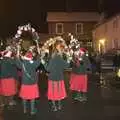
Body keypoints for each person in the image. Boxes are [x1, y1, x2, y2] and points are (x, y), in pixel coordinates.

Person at [46, 40, 69, 111]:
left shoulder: (52, 58)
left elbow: (48, 69)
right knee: (59, 92)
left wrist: (44, 64)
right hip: (59, 78)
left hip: (52, 78)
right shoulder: (60, 58)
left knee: (53, 93)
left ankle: (54, 107)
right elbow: (66, 66)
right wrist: (68, 59)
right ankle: (59, 106)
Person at [16, 51, 40, 115]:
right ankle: (32, 111)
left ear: (25, 56)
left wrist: (18, 53)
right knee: (32, 97)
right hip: (32, 83)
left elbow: (17, 60)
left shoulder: (22, 63)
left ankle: (24, 110)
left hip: (25, 83)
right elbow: (39, 60)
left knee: (24, 97)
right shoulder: (34, 63)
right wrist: (39, 55)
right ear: (31, 57)